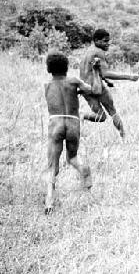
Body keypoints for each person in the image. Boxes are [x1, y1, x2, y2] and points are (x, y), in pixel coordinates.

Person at [43, 52, 102, 214]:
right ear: (66, 66)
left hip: (55, 123)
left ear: (49, 68)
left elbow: (54, 98)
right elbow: (95, 91)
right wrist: (95, 72)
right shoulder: (74, 81)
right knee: (73, 158)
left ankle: (49, 201)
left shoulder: (47, 85)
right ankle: (86, 181)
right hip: (73, 122)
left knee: (52, 165)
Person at [79, 29, 139, 138]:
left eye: (108, 41)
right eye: (105, 41)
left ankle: (82, 115)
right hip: (96, 87)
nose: (108, 44)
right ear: (97, 40)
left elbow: (93, 71)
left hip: (85, 89)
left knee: (100, 117)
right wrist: (129, 77)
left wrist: (106, 81)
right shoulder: (99, 52)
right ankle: (124, 137)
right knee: (112, 111)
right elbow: (105, 73)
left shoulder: (88, 52)